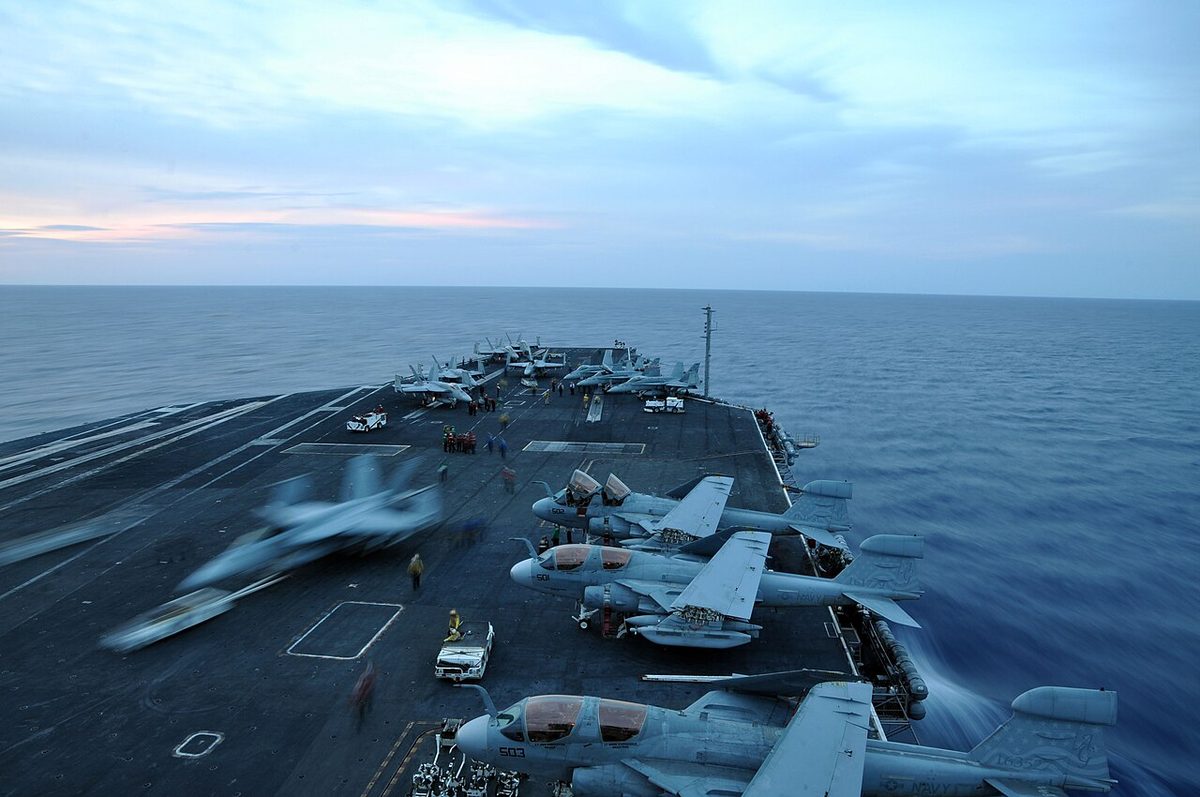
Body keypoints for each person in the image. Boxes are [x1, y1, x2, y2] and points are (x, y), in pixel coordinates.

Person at [351, 661, 377, 731]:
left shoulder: (365, 677)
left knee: (364, 705)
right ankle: (362, 717)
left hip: (363, 695)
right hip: (364, 695)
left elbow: (360, 686)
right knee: (364, 705)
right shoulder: (369, 678)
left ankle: (362, 717)